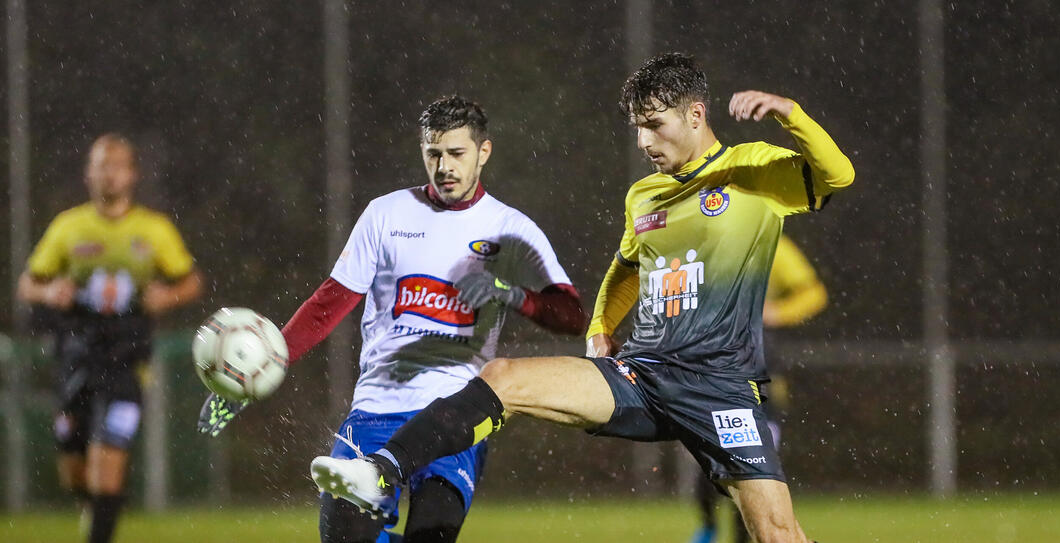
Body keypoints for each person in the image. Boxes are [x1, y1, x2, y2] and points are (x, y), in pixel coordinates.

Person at [309, 52, 854, 543]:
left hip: (720, 388)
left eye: (655, 126)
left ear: (695, 115)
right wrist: (599, 328)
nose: (644, 142)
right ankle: (381, 470)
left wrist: (790, 113)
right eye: (638, 128)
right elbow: (626, 268)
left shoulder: (753, 172)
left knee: (778, 534)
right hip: (644, 375)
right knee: (503, 377)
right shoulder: (644, 194)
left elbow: (838, 174)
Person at [198, 96, 587, 543]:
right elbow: (330, 303)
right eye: (433, 153)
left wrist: (511, 294)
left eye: (457, 154)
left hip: (453, 415)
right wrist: (258, 375)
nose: (444, 167)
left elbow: (571, 315)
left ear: (484, 152)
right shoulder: (386, 214)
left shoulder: (510, 228)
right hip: (375, 411)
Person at [17, 133, 204, 543]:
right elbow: (27, 284)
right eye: (101, 164)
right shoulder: (69, 226)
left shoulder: (153, 229)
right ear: (88, 174)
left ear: (132, 174)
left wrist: (167, 295)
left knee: (107, 467)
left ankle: (103, 518)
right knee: (74, 470)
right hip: (76, 355)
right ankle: (99, 507)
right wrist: (51, 291)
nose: (109, 173)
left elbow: (190, 282)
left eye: (117, 164)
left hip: (127, 358)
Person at [690, 233, 828, 543]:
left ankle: (741, 536)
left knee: (752, 469)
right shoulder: (705, 241)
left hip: (758, 377)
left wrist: (776, 312)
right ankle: (708, 525)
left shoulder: (772, 243)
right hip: (714, 372)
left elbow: (814, 293)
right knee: (709, 469)